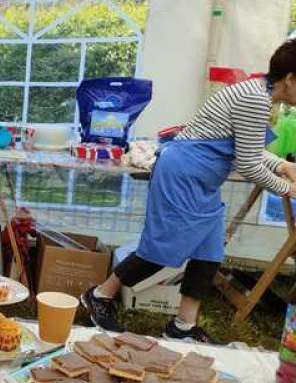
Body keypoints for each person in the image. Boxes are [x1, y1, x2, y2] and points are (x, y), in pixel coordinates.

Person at [82, 39, 296, 343]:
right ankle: (100, 296)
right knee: (162, 250)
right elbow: (248, 164)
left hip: (202, 181)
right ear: (290, 78)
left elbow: (243, 147)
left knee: (209, 253)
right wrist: (287, 189)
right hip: (182, 176)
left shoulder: (257, 92)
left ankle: (182, 326)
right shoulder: (255, 99)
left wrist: (280, 166)